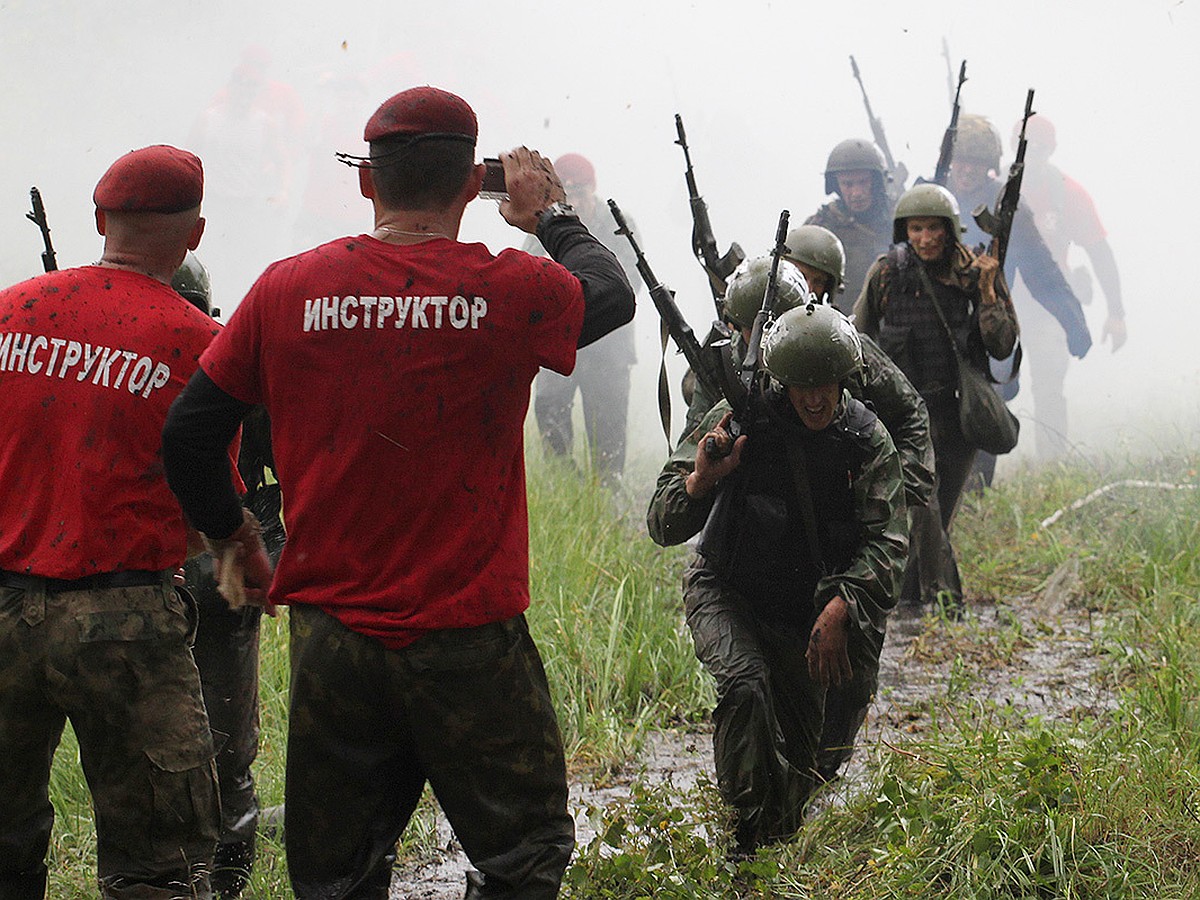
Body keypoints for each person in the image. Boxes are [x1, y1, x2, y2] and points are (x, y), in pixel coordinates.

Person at [161, 86, 635, 899]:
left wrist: (233, 534)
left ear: (366, 182)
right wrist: (549, 215)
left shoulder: (285, 291)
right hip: (471, 639)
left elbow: (190, 434)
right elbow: (610, 292)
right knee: (524, 857)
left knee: (337, 878)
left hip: (334, 646)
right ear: (469, 187)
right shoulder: (512, 290)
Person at [0, 146, 224, 899]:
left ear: (99, 219)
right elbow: (209, 507)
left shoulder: (10, 310)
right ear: (194, 235)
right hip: (125, 623)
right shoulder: (197, 345)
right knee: (159, 864)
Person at [648, 302, 907, 852]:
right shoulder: (735, 418)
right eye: (800, 385)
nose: (814, 399)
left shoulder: (865, 439)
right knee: (746, 688)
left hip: (810, 606)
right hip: (727, 590)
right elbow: (661, 520)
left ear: (845, 379)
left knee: (814, 759)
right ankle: (744, 837)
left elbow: (889, 542)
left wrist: (842, 604)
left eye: (825, 385)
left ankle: (775, 840)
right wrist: (701, 481)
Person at [782, 225, 934, 780]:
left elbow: (909, 411)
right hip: (779, 531)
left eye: (816, 284)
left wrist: (904, 489)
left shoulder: (852, 348)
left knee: (851, 677)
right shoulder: (749, 349)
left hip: (853, 520)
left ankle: (818, 781)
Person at [172, 252, 284, 900]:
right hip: (224, 572)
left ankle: (197, 874)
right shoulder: (237, 362)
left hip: (154, 576)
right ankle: (224, 881)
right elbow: (284, 479)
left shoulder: (126, 353)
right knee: (229, 749)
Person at [854, 183, 1019, 612]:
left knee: (937, 519)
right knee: (922, 512)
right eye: (916, 229)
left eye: (933, 229)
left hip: (956, 416)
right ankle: (944, 605)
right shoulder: (886, 273)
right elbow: (859, 338)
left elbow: (1002, 346)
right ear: (904, 230)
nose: (925, 239)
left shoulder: (974, 273)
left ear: (950, 230)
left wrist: (987, 292)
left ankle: (910, 604)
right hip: (906, 419)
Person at [947, 113, 1091, 471]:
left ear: (989, 166)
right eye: (960, 161)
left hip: (985, 324)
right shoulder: (930, 196)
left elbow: (1042, 271)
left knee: (985, 408)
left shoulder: (1006, 208)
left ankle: (977, 496)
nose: (966, 170)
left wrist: (1073, 320)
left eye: (975, 163)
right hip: (934, 322)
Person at [1012, 113, 1126, 459]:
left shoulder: (1068, 194)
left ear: (1052, 150)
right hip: (1001, 303)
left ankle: (1050, 465)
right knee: (993, 385)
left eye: (1039, 150)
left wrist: (1116, 313)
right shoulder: (996, 188)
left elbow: (1099, 253)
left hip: (1049, 305)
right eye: (1026, 149)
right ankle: (981, 476)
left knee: (1048, 384)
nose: (1031, 157)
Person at [529, 153, 638, 486]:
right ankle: (565, 487)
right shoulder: (543, 223)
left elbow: (631, 280)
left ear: (593, 189)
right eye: (567, 192)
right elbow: (529, 273)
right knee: (551, 416)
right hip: (562, 345)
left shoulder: (619, 223)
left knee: (608, 436)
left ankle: (608, 494)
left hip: (609, 347)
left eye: (580, 191)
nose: (574, 199)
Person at [805, 138, 896, 312]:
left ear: (876, 182)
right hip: (840, 321)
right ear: (836, 185)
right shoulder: (822, 226)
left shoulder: (899, 220)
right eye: (848, 184)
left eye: (863, 182)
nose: (856, 193)